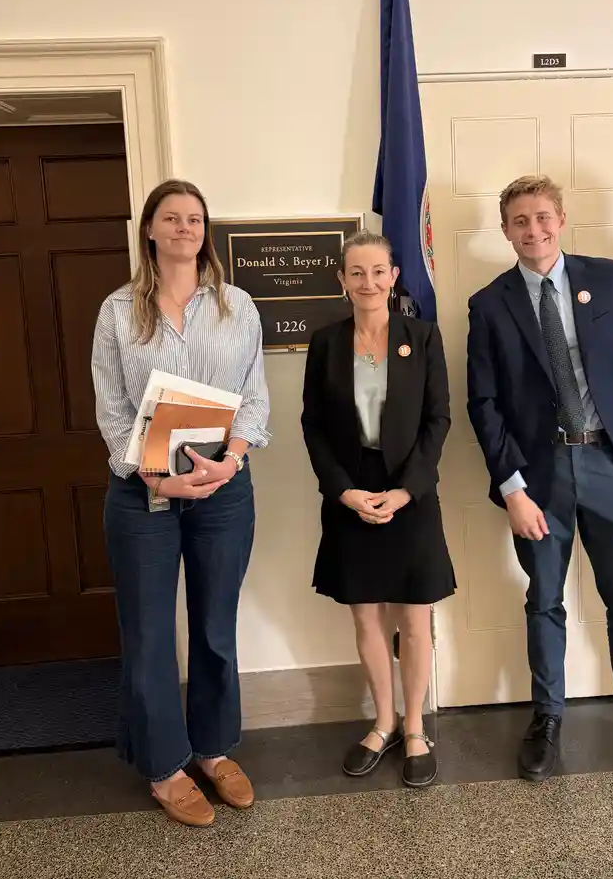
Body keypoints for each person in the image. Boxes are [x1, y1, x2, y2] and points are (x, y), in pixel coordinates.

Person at [466, 175, 613, 793]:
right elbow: (484, 404)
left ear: (560, 220)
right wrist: (511, 487)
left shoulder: (610, 279)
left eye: (542, 218)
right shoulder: (489, 304)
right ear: (505, 229)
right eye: (519, 221)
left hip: (609, 466)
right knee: (544, 600)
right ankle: (547, 717)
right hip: (536, 479)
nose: (532, 231)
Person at [91, 179, 270, 827]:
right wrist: (158, 479)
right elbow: (112, 413)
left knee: (216, 629)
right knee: (148, 636)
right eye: (172, 217)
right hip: (144, 495)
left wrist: (233, 458)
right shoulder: (117, 311)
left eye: (194, 218)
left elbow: (254, 396)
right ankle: (165, 766)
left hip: (224, 489)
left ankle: (214, 749)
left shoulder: (237, 305)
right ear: (150, 230)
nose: (184, 226)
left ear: (205, 230)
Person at [301, 229, 455, 788]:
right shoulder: (325, 343)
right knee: (366, 614)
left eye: (378, 271)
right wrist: (341, 490)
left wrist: (408, 489)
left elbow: (438, 420)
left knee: (415, 617)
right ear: (342, 280)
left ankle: (415, 727)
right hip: (350, 491)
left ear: (394, 277)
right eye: (356, 272)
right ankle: (383, 721)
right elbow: (313, 425)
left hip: (409, 490)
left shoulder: (423, 335)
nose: (368, 282)